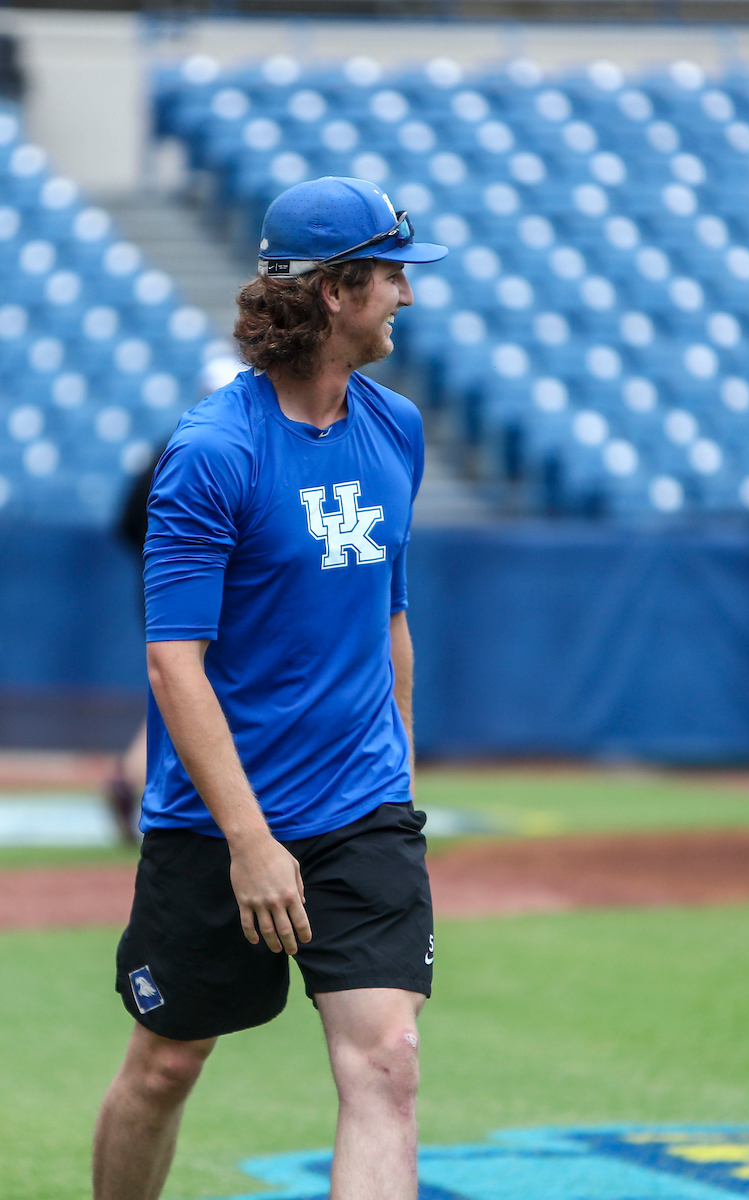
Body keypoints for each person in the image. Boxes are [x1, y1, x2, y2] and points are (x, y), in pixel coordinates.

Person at [92, 175, 448, 1200]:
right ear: (335, 292)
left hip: (359, 813)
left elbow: (390, 615)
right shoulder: (212, 453)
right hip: (218, 825)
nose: (407, 299)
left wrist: (398, 778)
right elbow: (173, 663)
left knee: (386, 1063)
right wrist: (250, 841)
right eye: (390, 277)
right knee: (167, 1062)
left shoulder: (398, 430)